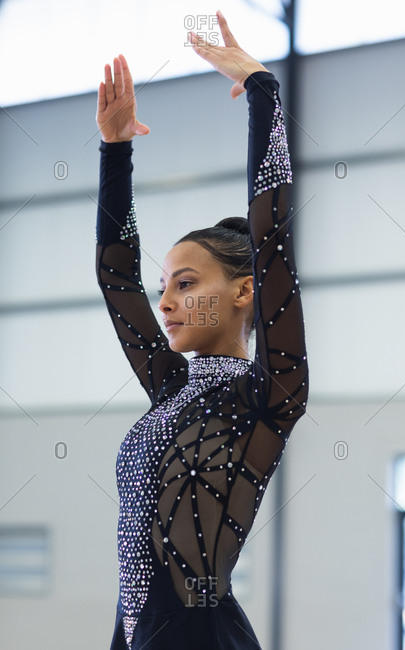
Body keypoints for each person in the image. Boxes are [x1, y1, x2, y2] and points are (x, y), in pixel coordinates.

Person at [95, 10, 309, 650]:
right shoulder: (171, 387)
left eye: (186, 284)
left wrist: (263, 91)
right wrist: (116, 150)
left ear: (247, 292)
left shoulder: (270, 395)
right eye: (165, 287)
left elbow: (270, 238)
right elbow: (116, 278)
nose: (165, 303)